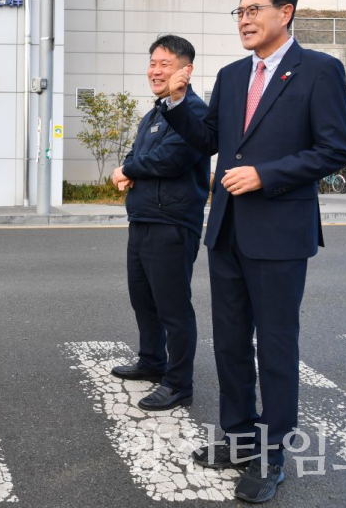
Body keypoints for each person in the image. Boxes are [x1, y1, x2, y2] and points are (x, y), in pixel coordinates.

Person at [163, 0, 346, 503]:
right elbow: (210, 139)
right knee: (229, 343)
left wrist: (266, 175)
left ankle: (271, 455)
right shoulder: (230, 76)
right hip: (227, 230)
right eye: (240, 12)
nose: (244, 20)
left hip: (279, 233)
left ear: (285, 12)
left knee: (274, 346)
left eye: (254, 10)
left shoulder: (319, 70)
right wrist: (178, 101)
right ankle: (238, 437)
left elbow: (334, 149)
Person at [110, 35, 209, 412]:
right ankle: (152, 360)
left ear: (186, 70)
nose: (155, 70)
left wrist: (128, 170)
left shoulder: (194, 112)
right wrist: (128, 167)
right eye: (153, 63)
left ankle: (179, 383)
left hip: (173, 222)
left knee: (173, 306)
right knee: (143, 298)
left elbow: (172, 159)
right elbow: (137, 154)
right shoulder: (153, 113)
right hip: (143, 217)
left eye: (165, 64)